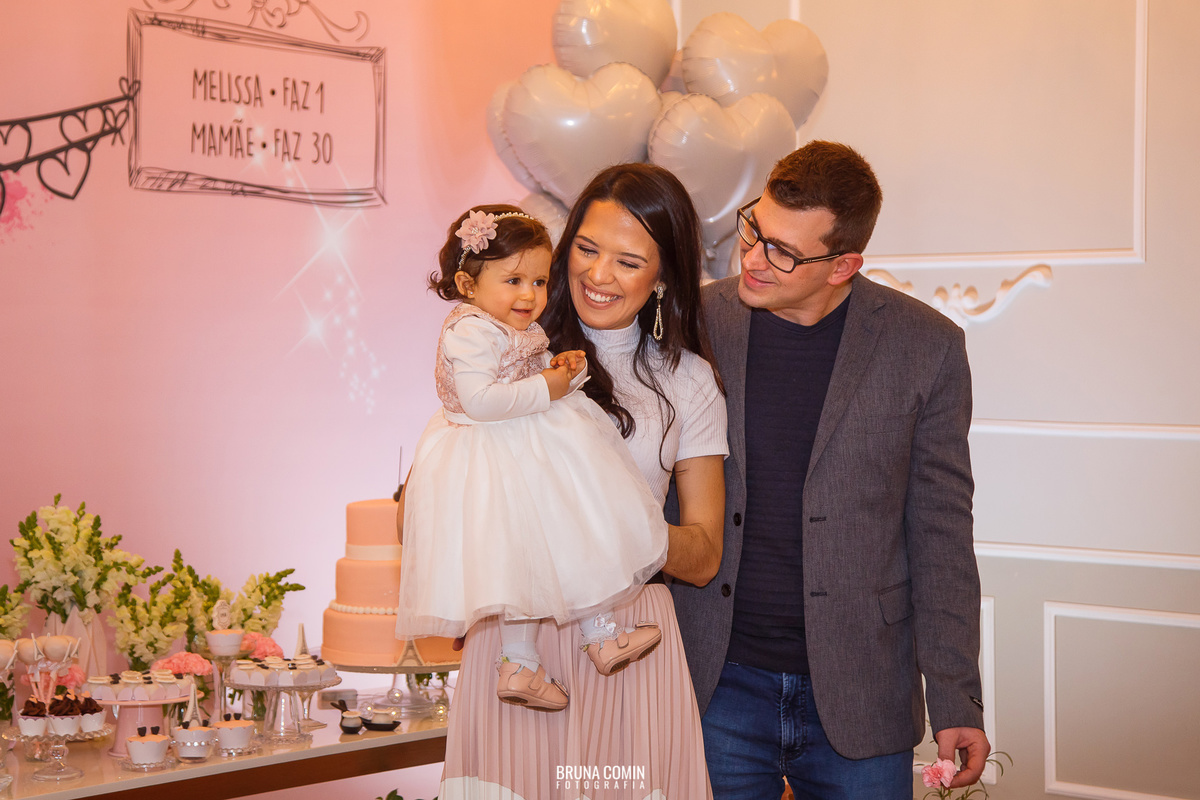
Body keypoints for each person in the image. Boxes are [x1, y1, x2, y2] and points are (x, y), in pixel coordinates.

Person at [670, 140, 990, 799]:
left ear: (843, 265)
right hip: (713, 683)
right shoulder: (691, 322)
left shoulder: (927, 346)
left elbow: (941, 533)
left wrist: (955, 694)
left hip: (862, 690)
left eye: (783, 252)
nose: (753, 259)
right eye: (755, 230)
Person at [434, 163, 727, 799]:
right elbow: (435, 506)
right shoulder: (507, 349)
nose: (598, 275)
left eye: (629, 261)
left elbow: (704, 557)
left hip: (627, 635)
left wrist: (609, 515)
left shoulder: (689, 381)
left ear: (663, 276)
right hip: (519, 636)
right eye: (587, 250)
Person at [397, 204, 670, 712]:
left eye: (540, 281)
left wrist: (565, 370)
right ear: (467, 283)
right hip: (493, 457)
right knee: (527, 558)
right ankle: (535, 657)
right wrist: (548, 386)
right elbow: (480, 401)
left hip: (521, 447)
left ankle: (580, 643)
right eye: (514, 280)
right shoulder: (469, 330)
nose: (530, 295)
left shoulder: (510, 326)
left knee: (554, 547)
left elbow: (531, 371)